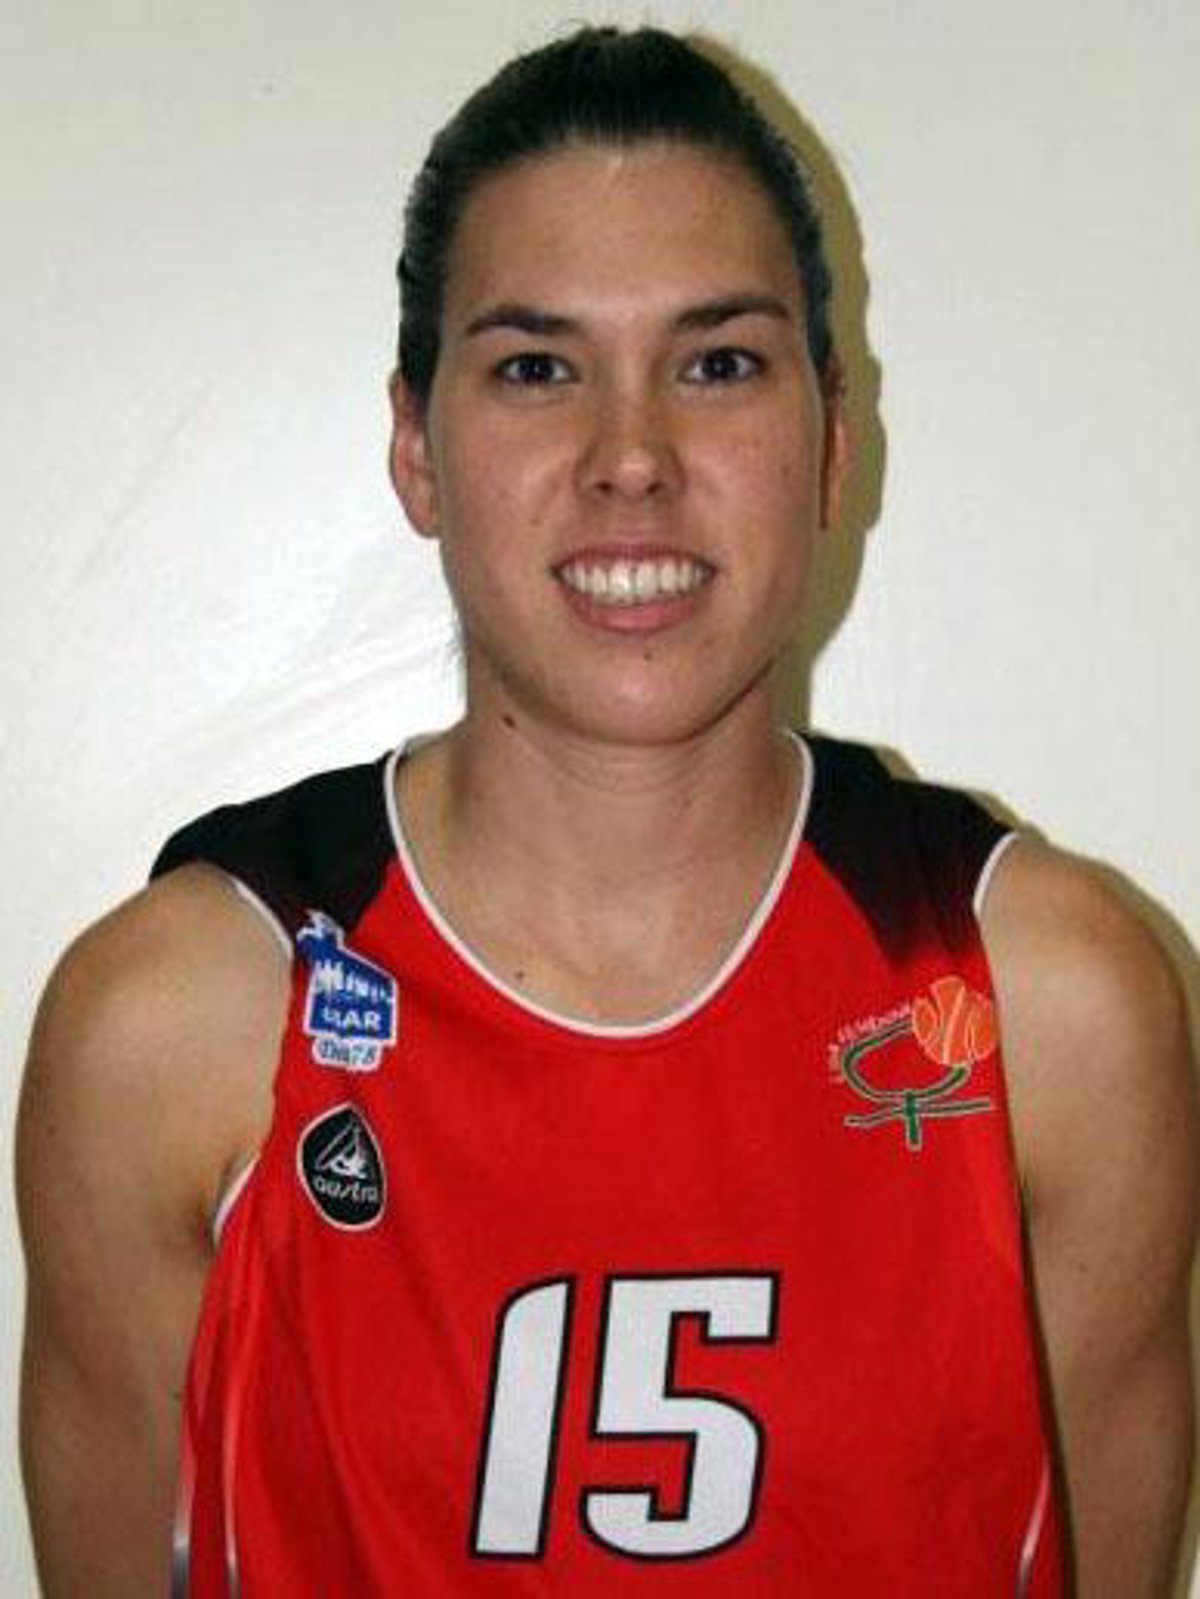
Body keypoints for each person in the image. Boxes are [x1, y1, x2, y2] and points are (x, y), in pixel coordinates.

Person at [16, 24, 1196, 1597]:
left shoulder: (1047, 1013)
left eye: (718, 364)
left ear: (831, 442)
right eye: (535, 369)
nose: (631, 458)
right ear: (415, 449)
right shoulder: (180, 1028)